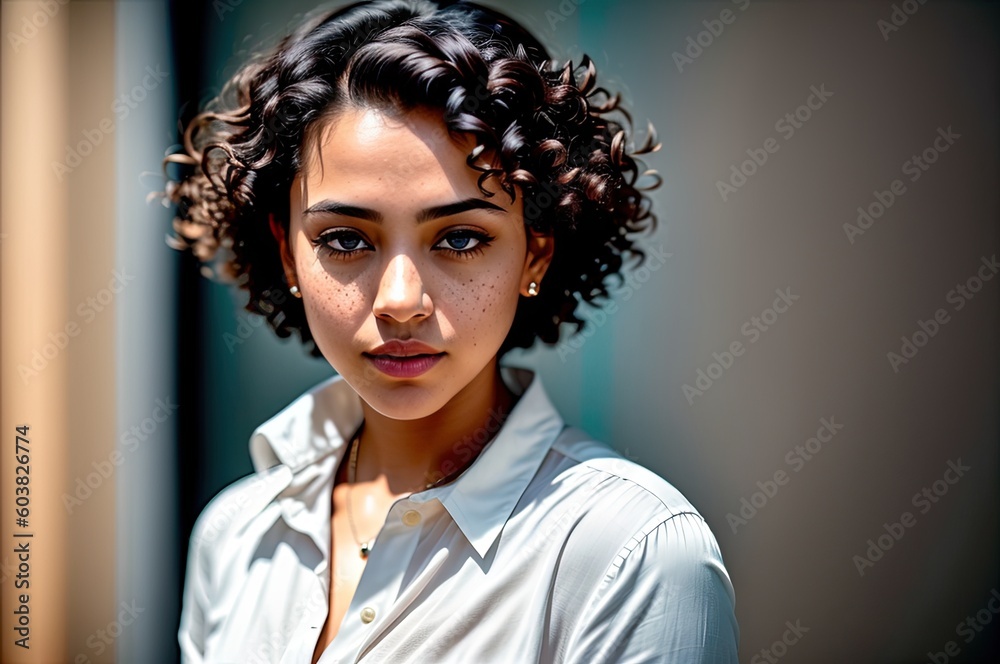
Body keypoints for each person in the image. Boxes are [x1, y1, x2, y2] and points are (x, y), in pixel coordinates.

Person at [164, 0, 739, 661]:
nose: (400, 301)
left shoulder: (631, 552)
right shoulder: (236, 536)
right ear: (288, 251)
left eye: (461, 237)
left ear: (536, 252)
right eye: (346, 239)